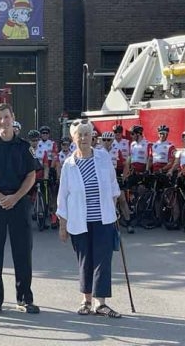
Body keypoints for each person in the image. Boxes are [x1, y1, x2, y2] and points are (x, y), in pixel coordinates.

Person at [0, 103, 39, 316]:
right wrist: (1, 197)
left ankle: (24, 299)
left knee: (22, 253)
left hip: (19, 204)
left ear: (13, 117)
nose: (3, 121)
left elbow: (31, 175)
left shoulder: (23, 146)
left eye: (6, 117)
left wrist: (16, 197)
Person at [56, 119, 122, 318]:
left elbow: (112, 185)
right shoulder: (69, 164)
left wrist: (114, 210)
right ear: (73, 138)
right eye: (79, 134)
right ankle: (86, 300)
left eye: (87, 133)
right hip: (79, 220)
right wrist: (62, 225)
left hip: (103, 218)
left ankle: (100, 303)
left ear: (92, 136)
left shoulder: (103, 158)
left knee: (103, 260)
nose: (83, 138)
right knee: (85, 259)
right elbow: (63, 196)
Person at [101, 131, 133, 233]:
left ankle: (129, 223)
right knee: (105, 202)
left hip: (115, 178)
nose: (106, 142)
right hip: (103, 180)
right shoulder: (98, 152)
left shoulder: (116, 151)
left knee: (122, 200)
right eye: (104, 140)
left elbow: (125, 163)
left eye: (109, 140)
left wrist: (124, 176)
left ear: (112, 141)